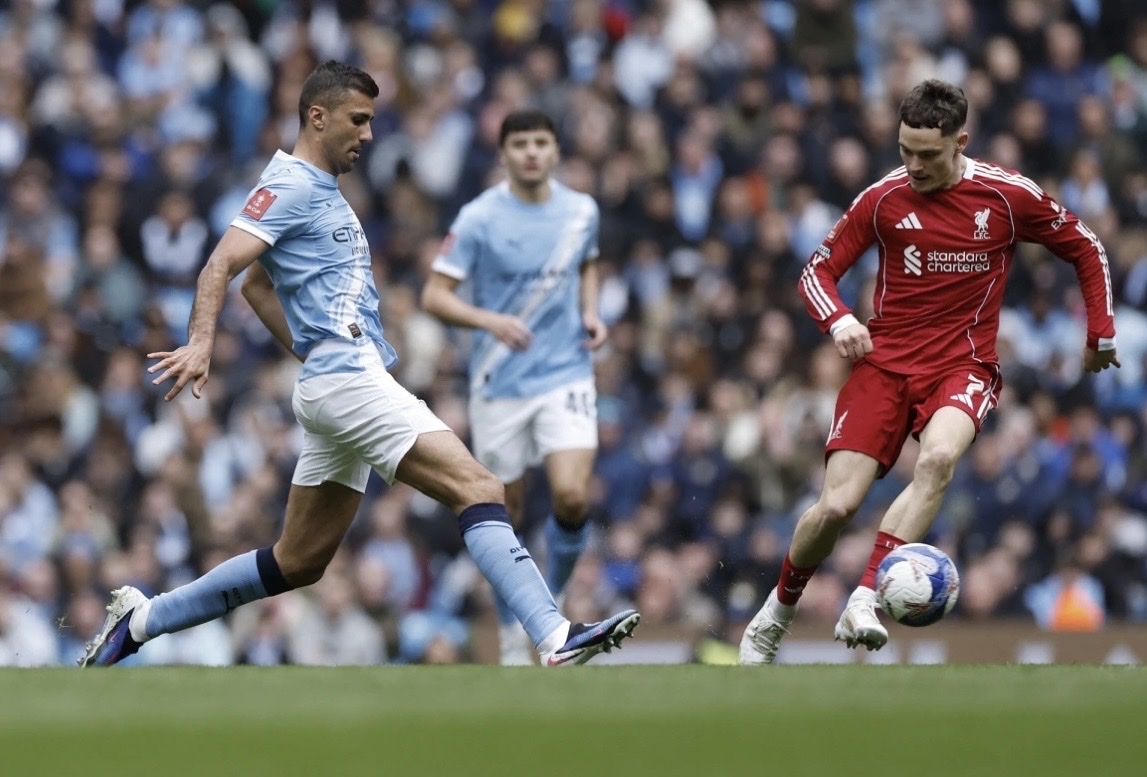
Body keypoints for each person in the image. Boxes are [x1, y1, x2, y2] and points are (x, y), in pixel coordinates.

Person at [80, 61, 639, 668]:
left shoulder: (317, 191)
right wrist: (201, 341)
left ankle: (140, 620)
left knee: (298, 561)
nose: (368, 135)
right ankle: (555, 635)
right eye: (359, 120)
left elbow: (259, 288)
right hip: (348, 380)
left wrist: (308, 348)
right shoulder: (290, 184)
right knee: (479, 487)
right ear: (316, 117)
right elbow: (222, 268)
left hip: (334, 378)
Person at [739, 79, 1120, 665]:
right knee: (835, 508)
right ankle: (776, 615)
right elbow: (817, 271)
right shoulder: (884, 198)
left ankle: (865, 595)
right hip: (884, 364)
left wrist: (1100, 330)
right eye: (904, 150)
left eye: (928, 154)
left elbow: (1086, 247)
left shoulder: (1005, 196)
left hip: (963, 365)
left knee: (938, 458)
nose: (913, 165)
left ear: (960, 141)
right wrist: (838, 321)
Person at [421, 109, 607, 665]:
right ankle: (511, 627)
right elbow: (435, 295)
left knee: (573, 495)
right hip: (499, 383)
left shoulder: (581, 211)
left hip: (565, 372)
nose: (531, 152)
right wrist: (488, 321)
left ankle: (555, 602)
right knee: (508, 512)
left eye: (541, 142)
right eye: (520, 143)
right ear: (502, 154)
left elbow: (588, 265)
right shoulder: (479, 218)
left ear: (555, 151)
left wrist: (591, 313)